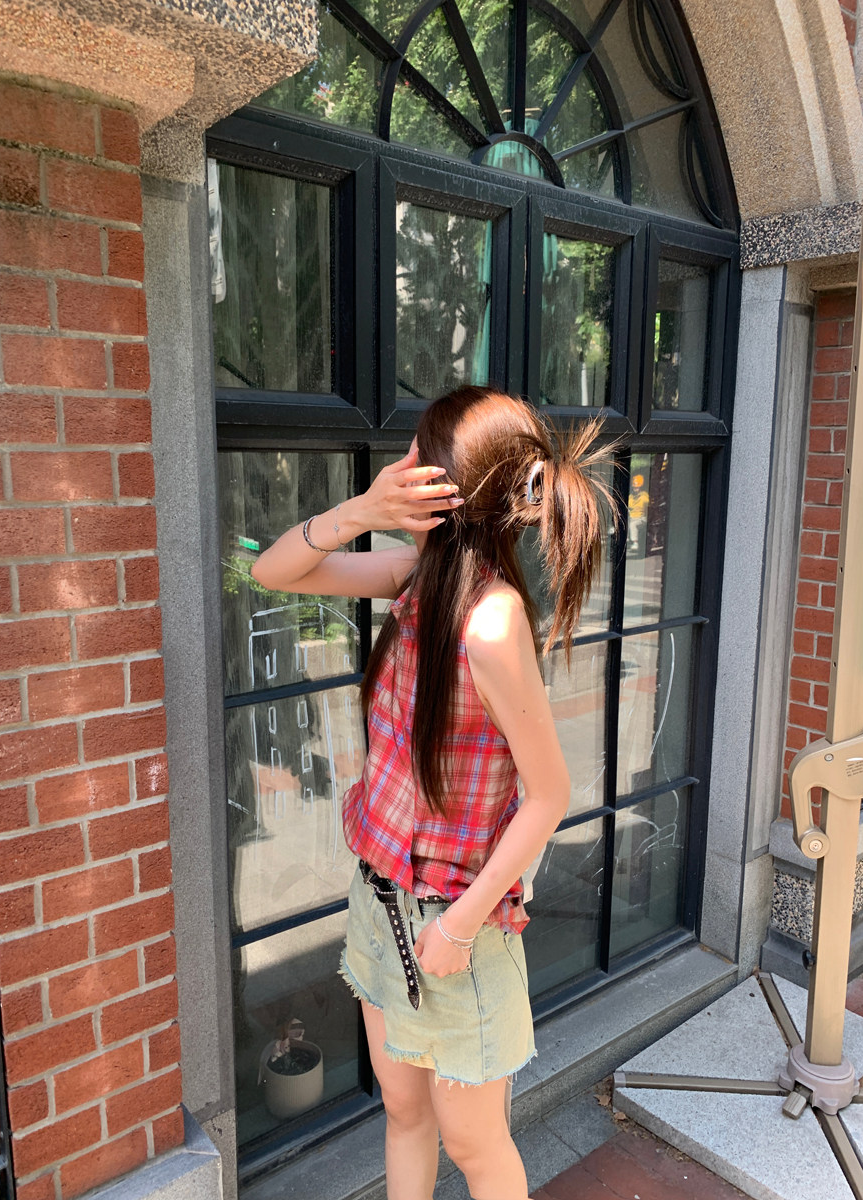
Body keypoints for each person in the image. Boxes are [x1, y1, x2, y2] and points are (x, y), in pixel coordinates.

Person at [251, 386, 610, 1200]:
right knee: (404, 1113)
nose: (402, 465)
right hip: (381, 904)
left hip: (455, 928)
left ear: (446, 484)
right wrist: (360, 510)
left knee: (476, 1145)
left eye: (417, 454)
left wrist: (458, 924)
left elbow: (549, 794)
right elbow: (273, 571)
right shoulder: (417, 576)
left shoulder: (491, 620)